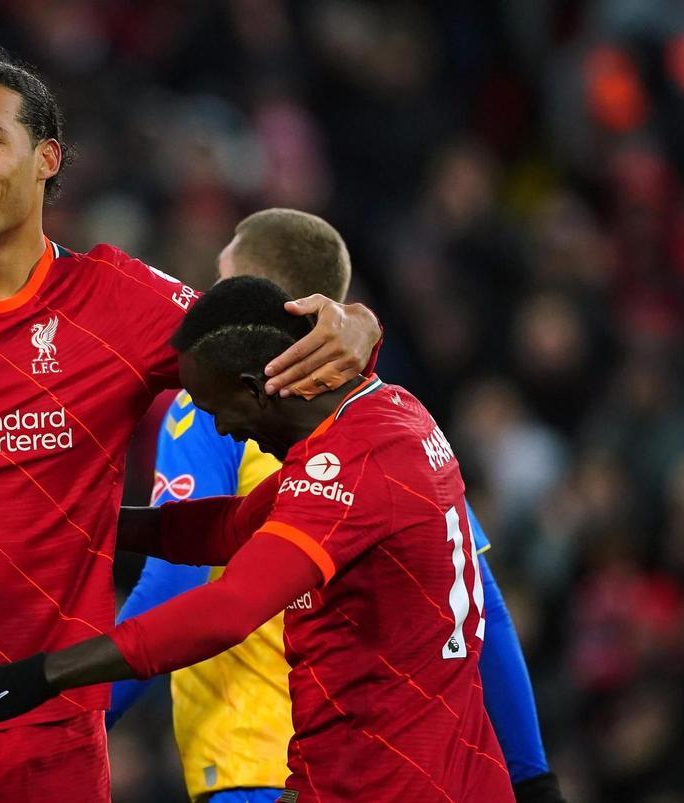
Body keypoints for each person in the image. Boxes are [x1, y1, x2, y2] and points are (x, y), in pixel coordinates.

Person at [0, 50, 380, 802]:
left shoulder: (120, 301)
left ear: (46, 158)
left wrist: (357, 322)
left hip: (51, 727)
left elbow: (271, 335)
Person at [0, 275, 516, 803]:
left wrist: (36, 677)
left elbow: (227, 610)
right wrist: (64, 519)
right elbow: (227, 529)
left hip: (389, 787)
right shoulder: (386, 415)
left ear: (256, 387)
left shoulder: (351, 468)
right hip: (409, 774)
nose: (222, 428)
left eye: (215, 407)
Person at [110, 209, 565, 803]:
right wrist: (533, 776)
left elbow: (174, 583)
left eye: (222, 282)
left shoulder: (204, 412)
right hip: (377, 763)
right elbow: (480, 603)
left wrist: (69, 717)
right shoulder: (387, 417)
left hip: (255, 762)